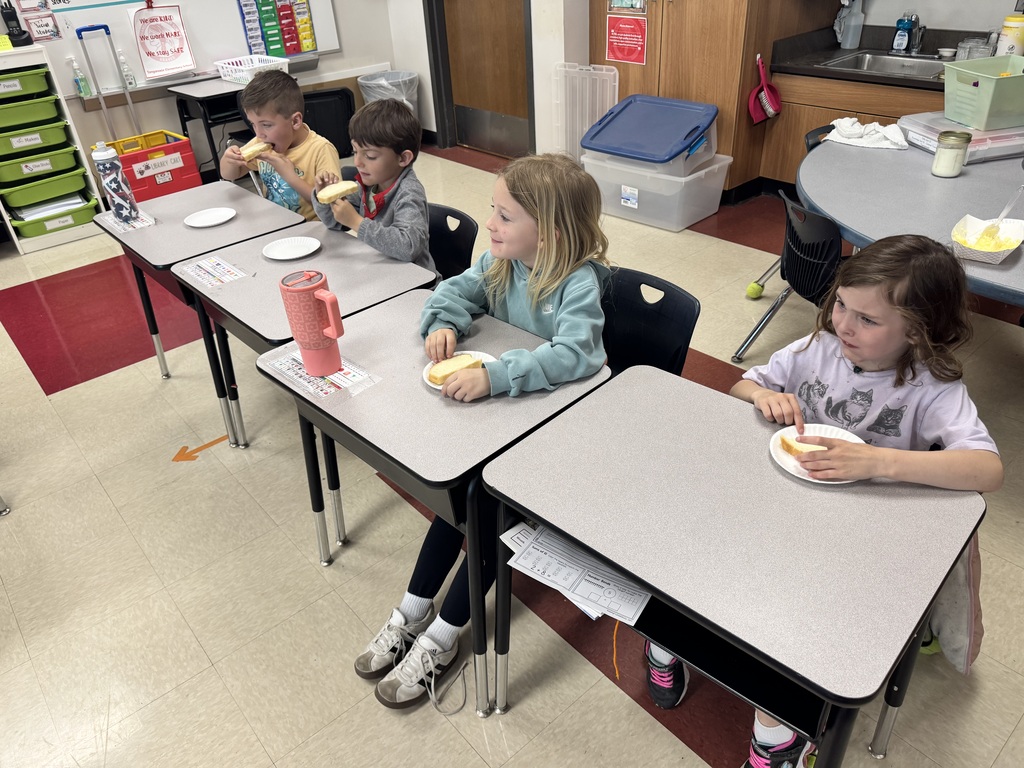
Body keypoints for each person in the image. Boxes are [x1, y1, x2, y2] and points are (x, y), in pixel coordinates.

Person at [646, 235, 1003, 768]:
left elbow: (987, 469)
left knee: (796, 630)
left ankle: (777, 736)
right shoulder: (818, 348)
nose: (844, 325)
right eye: (840, 305)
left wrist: (879, 461)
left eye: (867, 319)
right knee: (689, 556)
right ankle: (663, 640)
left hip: (853, 532)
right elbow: (744, 385)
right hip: (779, 504)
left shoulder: (932, 386)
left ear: (918, 329)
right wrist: (764, 395)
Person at [362, 153, 612, 710]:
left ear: (546, 234)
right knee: (455, 501)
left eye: (504, 216)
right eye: (493, 212)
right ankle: (411, 610)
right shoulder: (500, 261)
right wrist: (444, 324)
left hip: (556, 435)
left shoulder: (577, 283)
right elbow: (451, 293)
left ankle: (443, 637)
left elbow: (577, 355)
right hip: (502, 426)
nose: (490, 225)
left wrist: (496, 375)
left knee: (482, 506)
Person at [312, 98, 436, 278]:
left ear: (403, 159)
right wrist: (324, 197)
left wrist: (356, 222)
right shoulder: (366, 185)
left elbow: (408, 247)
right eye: (355, 152)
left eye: (370, 156)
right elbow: (335, 223)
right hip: (378, 272)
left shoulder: (409, 193)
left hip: (415, 281)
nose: (357, 162)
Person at [219, 69, 340, 221]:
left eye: (266, 125)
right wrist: (229, 160)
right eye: (253, 124)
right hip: (275, 224)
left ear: (295, 121)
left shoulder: (320, 150)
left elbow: (331, 206)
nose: (259, 133)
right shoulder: (261, 141)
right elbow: (229, 174)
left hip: (311, 229)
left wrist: (290, 176)